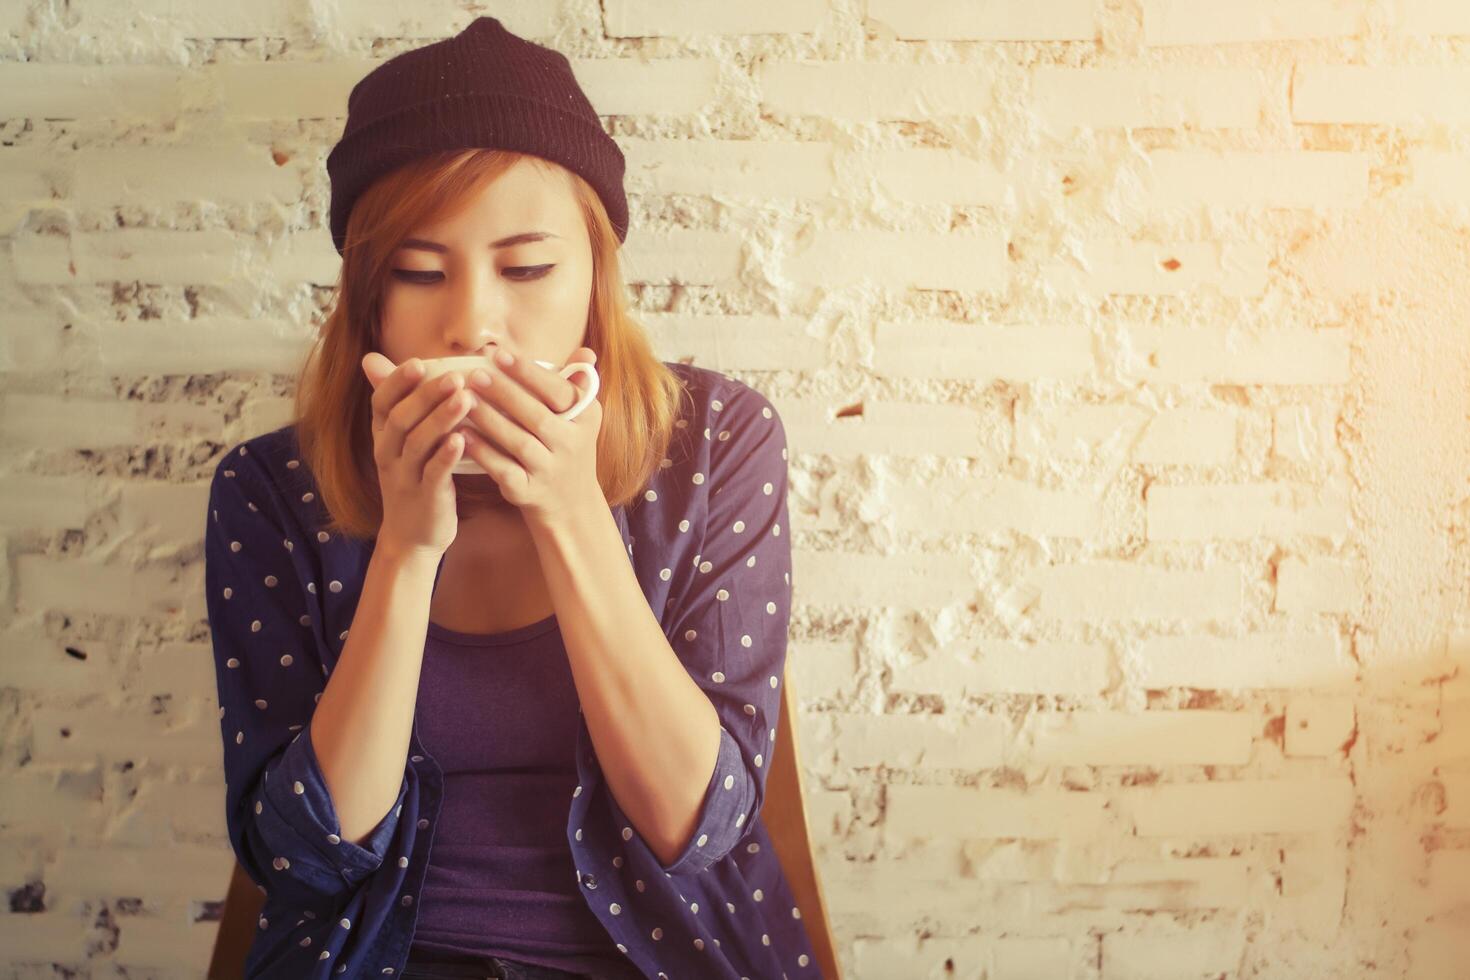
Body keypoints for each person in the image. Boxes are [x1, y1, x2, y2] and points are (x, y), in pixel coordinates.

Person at [204, 15, 822, 980]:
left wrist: (570, 513)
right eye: (418, 272)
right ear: (368, 297)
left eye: (528, 269)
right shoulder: (272, 492)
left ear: (594, 276)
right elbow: (306, 855)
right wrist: (406, 552)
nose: (474, 323)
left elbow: (698, 828)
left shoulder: (716, 448)